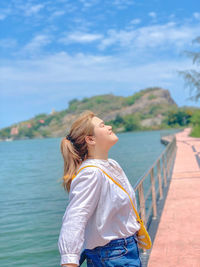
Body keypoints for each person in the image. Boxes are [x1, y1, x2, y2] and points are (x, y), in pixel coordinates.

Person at [58, 110, 142, 267]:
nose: (109, 127)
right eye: (103, 125)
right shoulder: (91, 173)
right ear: (90, 139)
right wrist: (69, 259)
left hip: (127, 249)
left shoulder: (112, 165)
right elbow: (75, 217)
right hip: (111, 256)